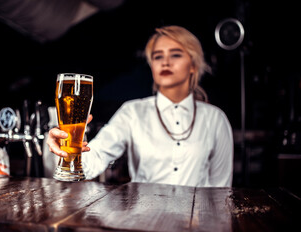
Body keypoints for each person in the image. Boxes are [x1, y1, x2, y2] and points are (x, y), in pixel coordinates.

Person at [47, 25, 234, 187]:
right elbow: (97, 155)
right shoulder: (132, 112)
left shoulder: (215, 119)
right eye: (158, 56)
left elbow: (220, 189)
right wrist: (68, 153)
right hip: (144, 222)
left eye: (175, 54)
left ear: (193, 65)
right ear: (151, 65)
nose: (166, 62)